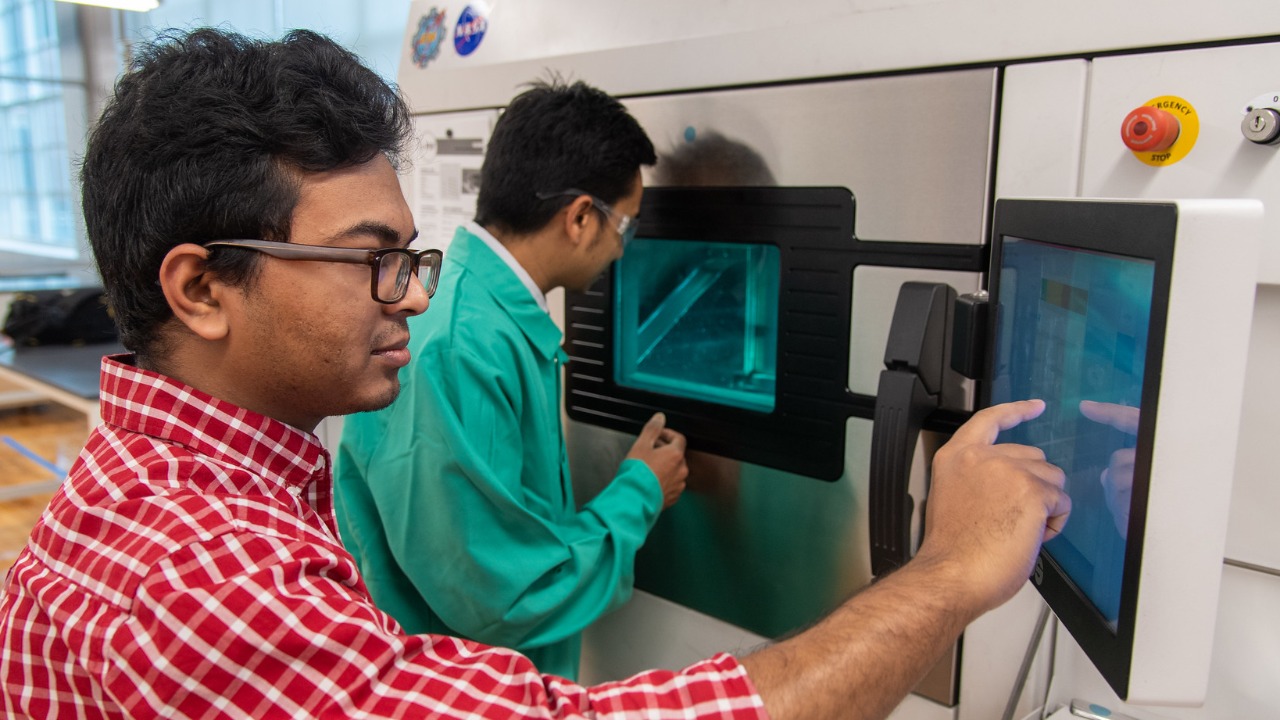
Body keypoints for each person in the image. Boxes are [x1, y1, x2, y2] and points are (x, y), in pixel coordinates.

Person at [0, 27, 1071, 720]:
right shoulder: (207, 587)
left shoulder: (161, 487)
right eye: (371, 262)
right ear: (199, 288)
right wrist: (947, 569)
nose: (407, 298)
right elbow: (492, 595)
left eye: (408, 260)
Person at [334, 79, 690, 680]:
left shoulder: (486, 316)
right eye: (623, 228)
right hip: (462, 692)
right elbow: (497, 597)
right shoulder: (461, 347)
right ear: (580, 218)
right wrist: (640, 492)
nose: (623, 251)